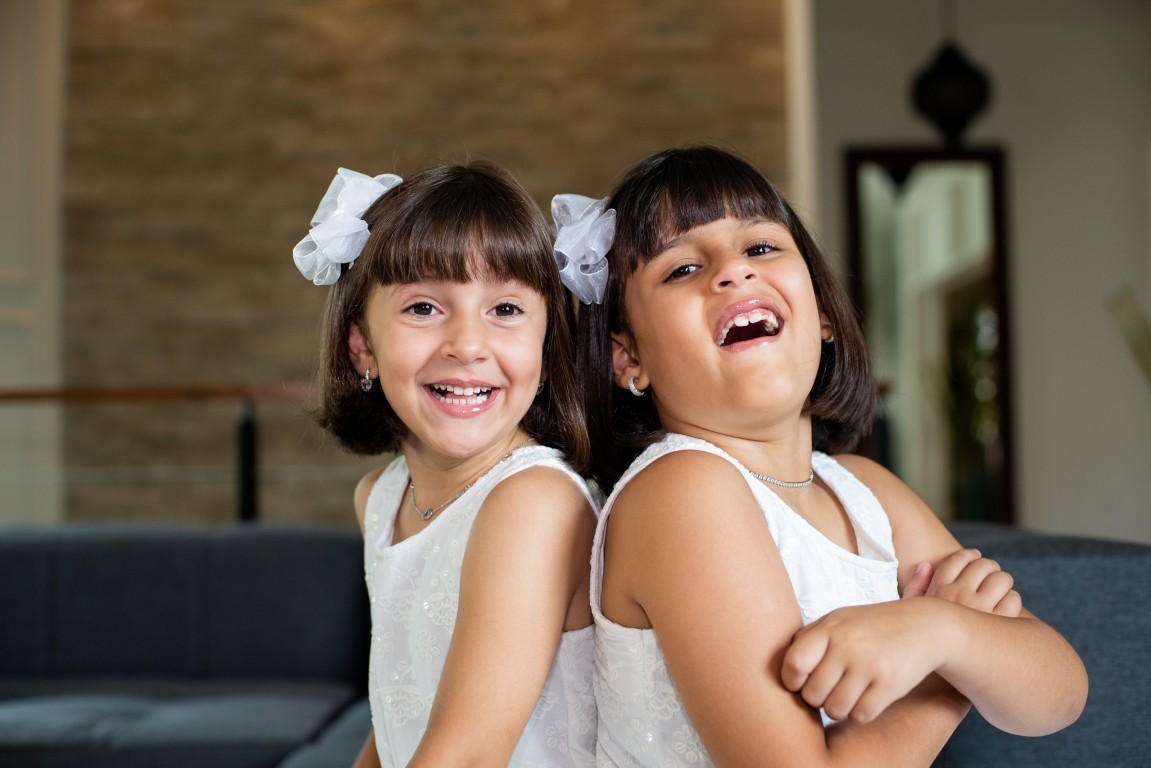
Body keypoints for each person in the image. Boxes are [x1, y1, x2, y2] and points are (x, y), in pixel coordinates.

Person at [565, 145, 1087, 766]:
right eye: (681, 269)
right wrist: (951, 662)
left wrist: (943, 630)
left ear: (823, 318)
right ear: (631, 360)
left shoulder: (866, 492)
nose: (733, 271)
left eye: (760, 247)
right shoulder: (681, 491)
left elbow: (1059, 696)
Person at [294, 163, 599, 766]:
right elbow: (398, 715)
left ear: (546, 345)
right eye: (424, 308)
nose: (467, 343)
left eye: (506, 310)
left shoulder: (535, 501)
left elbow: (468, 752)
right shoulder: (381, 497)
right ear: (363, 347)